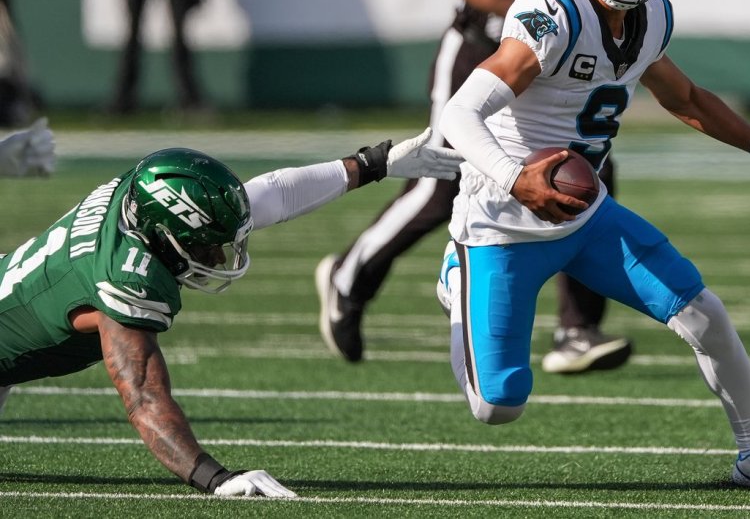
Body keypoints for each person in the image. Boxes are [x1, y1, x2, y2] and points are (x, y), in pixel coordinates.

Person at [436, 0, 750, 491]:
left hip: (586, 214)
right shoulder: (553, 14)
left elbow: (688, 99)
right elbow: (459, 114)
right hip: (500, 223)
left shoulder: (651, 17)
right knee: (498, 406)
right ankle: (458, 275)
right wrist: (516, 178)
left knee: (703, 314)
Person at [316, 0, 634, 374]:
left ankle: (577, 330)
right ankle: (350, 277)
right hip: (483, 51)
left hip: (549, 65)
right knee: (441, 180)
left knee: (587, 168)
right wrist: (543, 22)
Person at [0, 129, 460, 497]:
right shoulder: (122, 277)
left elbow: (270, 195)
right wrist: (216, 479)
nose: (218, 257)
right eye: (207, 245)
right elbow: (143, 398)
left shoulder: (141, 199)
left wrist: (374, 163)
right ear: (165, 236)